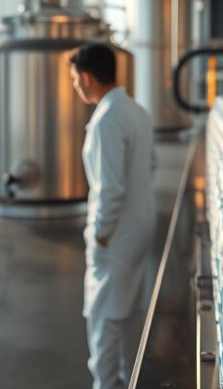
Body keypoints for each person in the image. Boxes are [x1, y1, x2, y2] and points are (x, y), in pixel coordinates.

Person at [70, 43, 157, 389]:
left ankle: (106, 383)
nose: (76, 86)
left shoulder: (107, 119)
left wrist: (100, 233)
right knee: (130, 309)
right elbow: (150, 166)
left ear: (87, 77)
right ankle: (131, 376)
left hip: (117, 232)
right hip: (140, 225)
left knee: (103, 316)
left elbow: (110, 188)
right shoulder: (137, 111)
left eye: (76, 79)